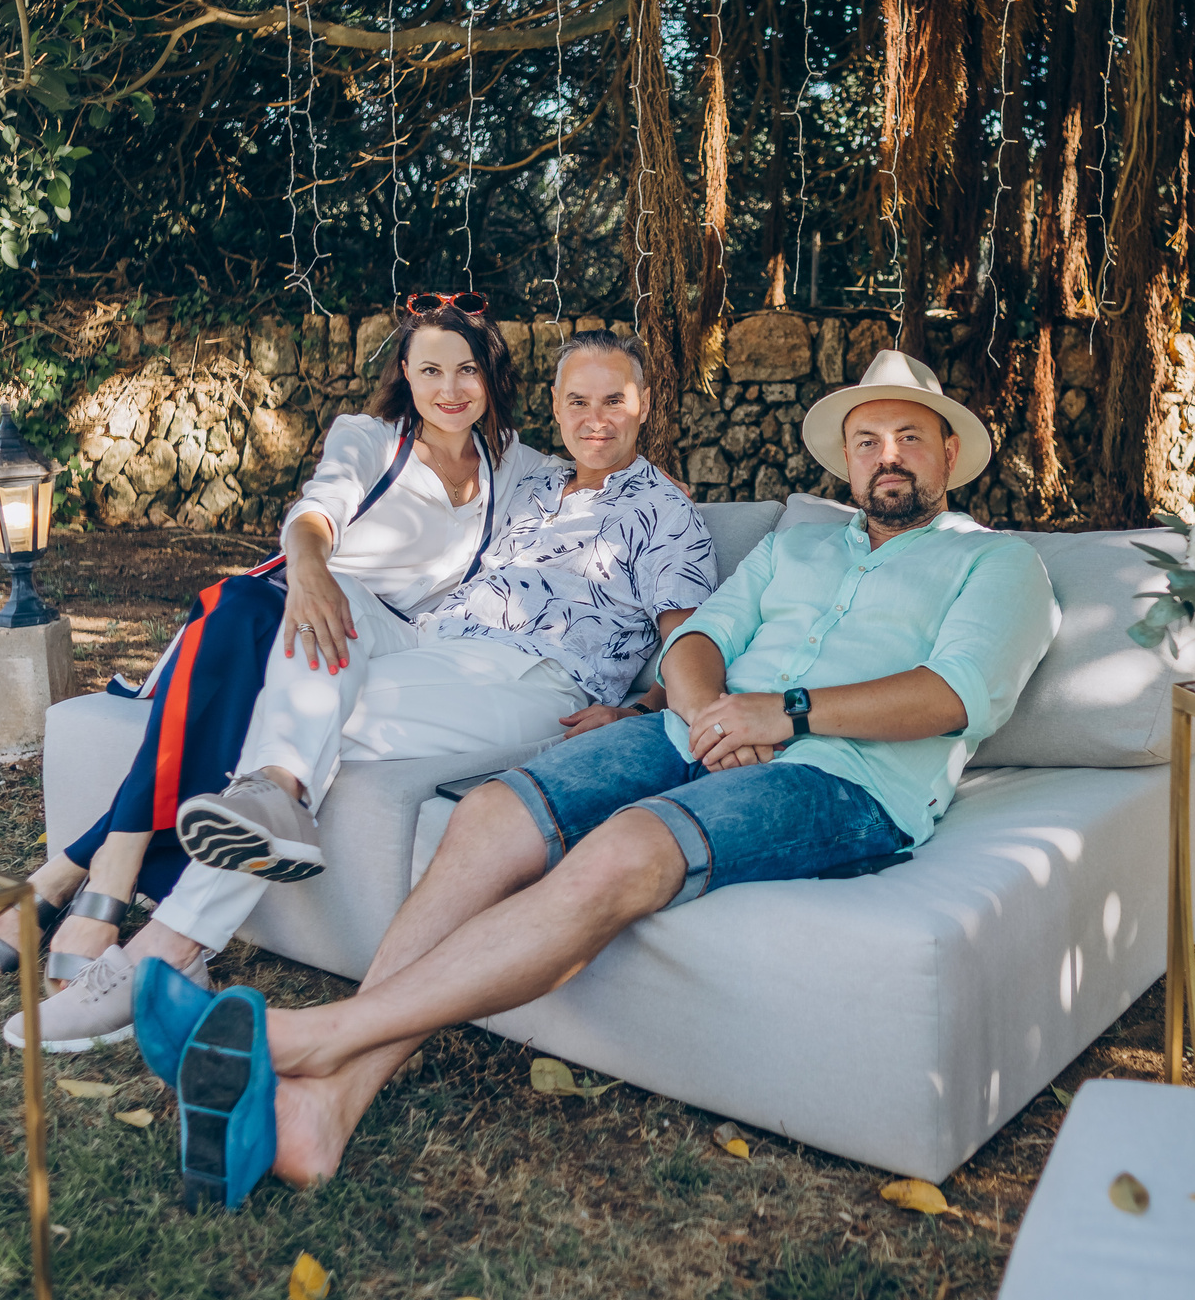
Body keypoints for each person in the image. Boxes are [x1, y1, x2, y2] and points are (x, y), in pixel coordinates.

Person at [132, 349, 1059, 1210]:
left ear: (949, 452)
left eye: (908, 437)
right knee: (491, 812)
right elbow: (697, 639)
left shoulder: (997, 562)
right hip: (692, 729)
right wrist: (712, 716)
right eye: (868, 440)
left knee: (624, 850)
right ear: (846, 459)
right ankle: (322, 1110)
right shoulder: (797, 547)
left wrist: (785, 713)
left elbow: (954, 693)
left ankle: (309, 1037)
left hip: (843, 776)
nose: (887, 456)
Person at [6, 325, 715, 1053]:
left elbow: (691, 643)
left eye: (614, 401)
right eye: (578, 401)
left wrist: (637, 709)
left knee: (298, 710)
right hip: (433, 641)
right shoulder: (530, 476)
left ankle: (168, 946)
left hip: (534, 675)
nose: (596, 419)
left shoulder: (666, 512)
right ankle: (270, 798)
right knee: (316, 607)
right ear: (556, 405)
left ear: (644, 402)